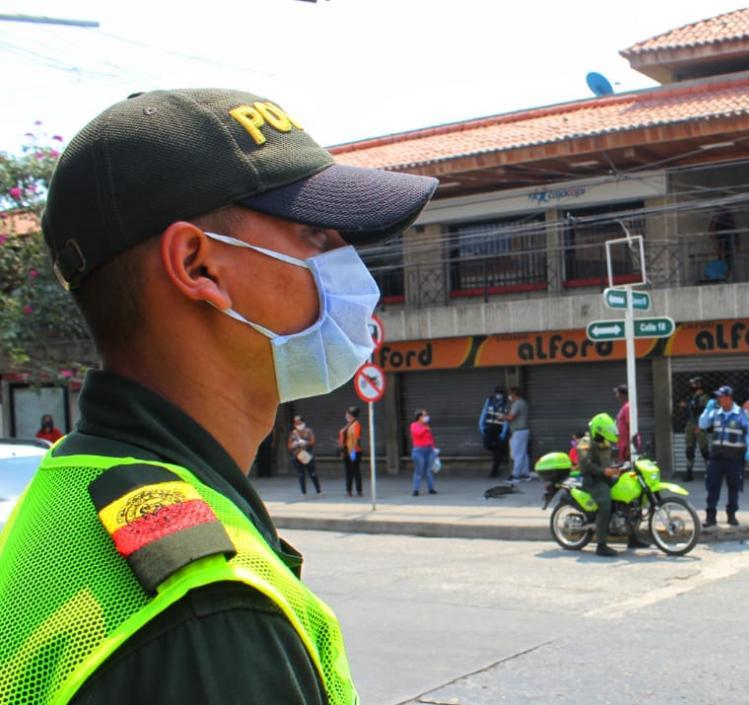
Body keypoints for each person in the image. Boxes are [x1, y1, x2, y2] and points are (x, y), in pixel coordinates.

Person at [0, 87, 437, 703]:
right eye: (316, 234)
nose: (352, 266)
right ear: (199, 266)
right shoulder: (209, 612)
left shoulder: (71, 485)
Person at [576, 413, 640, 557]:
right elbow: (585, 465)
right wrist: (604, 471)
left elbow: (607, 462)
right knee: (606, 504)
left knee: (629, 495)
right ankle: (601, 545)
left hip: (605, 477)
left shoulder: (604, 441)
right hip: (592, 481)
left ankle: (633, 538)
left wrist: (619, 466)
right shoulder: (586, 442)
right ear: (599, 430)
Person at [698, 385, 749, 527]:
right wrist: (707, 410)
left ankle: (732, 515)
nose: (718, 399)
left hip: (734, 458)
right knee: (712, 487)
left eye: (721, 397)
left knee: (733, 487)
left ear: (728, 398)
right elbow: (702, 424)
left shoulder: (741, 413)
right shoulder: (716, 413)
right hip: (717, 457)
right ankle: (710, 517)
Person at [679, 377, 711, 481]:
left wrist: (700, 425)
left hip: (699, 424)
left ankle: (711, 472)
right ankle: (689, 472)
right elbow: (686, 410)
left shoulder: (704, 398)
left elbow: (706, 413)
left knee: (704, 450)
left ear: (699, 385)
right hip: (690, 424)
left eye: (694, 384)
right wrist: (683, 407)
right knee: (689, 449)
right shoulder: (690, 397)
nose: (691, 386)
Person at [478, 386, 510, 478]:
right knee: (487, 445)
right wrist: (481, 425)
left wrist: (503, 432)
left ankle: (493, 472)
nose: (498, 395)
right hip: (489, 427)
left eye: (500, 393)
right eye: (497, 392)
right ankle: (500, 451)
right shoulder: (489, 400)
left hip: (499, 429)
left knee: (498, 453)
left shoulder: (506, 403)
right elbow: (484, 413)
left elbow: (506, 419)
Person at [289, 415, 321, 496]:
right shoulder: (293, 433)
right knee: (301, 474)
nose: (298, 424)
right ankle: (304, 492)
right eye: (296, 423)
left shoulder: (308, 431)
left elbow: (313, 442)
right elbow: (289, 446)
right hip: (297, 456)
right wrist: (294, 444)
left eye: (299, 422)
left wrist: (306, 442)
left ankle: (318, 490)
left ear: (303, 422)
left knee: (312, 473)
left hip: (308, 455)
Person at [506, 387, 531, 483]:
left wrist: (502, 417)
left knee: (517, 454)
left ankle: (515, 475)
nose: (509, 397)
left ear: (513, 394)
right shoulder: (523, 402)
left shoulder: (517, 404)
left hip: (518, 431)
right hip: (523, 430)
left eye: (510, 394)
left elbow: (511, 417)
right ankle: (525, 474)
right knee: (523, 454)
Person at [410, 409, 437, 496]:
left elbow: (430, 438)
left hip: (429, 450)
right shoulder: (414, 425)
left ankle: (431, 489)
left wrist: (433, 449)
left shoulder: (426, 426)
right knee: (418, 471)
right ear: (419, 417)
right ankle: (416, 490)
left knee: (428, 471)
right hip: (418, 451)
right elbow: (417, 434)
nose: (426, 417)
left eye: (426, 415)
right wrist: (425, 429)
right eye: (424, 415)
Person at [338, 406, 363, 498]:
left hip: (353, 451)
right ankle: (349, 490)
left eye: (347, 414)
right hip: (346, 451)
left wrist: (351, 453)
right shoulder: (348, 425)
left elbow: (356, 439)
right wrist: (342, 451)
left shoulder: (356, 424)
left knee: (355, 471)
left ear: (351, 415)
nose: (345, 416)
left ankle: (359, 490)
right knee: (348, 471)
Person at [614, 384, 637, 463]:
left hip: (626, 446)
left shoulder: (628, 407)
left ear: (622, 395)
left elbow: (631, 426)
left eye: (617, 393)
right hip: (623, 445)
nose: (616, 396)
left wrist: (629, 447)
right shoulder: (625, 407)